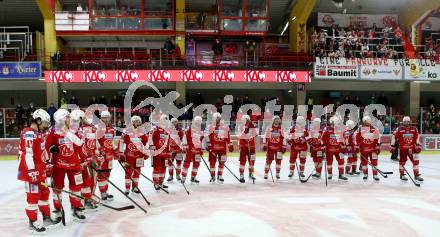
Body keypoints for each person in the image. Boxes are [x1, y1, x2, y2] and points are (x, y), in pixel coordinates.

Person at [17, 109, 58, 233]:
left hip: (40, 171)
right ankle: (33, 222)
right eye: (44, 123)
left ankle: (45, 217)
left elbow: (42, 152)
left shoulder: (38, 133)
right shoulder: (28, 133)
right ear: (38, 120)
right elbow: (27, 154)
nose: (46, 126)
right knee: (33, 196)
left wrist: (47, 164)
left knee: (44, 193)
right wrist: (32, 171)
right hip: (32, 172)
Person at [46, 109, 86, 221]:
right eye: (68, 117)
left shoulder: (74, 129)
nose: (70, 119)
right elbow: (47, 145)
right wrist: (51, 149)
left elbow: (79, 144)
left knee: (76, 187)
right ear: (62, 119)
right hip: (59, 165)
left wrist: (84, 159)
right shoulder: (53, 131)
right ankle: (58, 209)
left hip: (74, 164)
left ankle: (77, 207)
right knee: (57, 188)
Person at [70, 109, 99, 210]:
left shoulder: (84, 129)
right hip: (78, 162)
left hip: (86, 159)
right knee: (80, 183)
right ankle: (79, 202)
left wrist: (95, 154)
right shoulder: (73, 131)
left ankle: (85, 199)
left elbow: (92, 144)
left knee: (87, 181)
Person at [120, 115, 148, 195]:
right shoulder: (127, 131)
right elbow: (121, 142)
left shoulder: (142, 131)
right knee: (128, 172)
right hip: (129, 156)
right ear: (132, 122)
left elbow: (145, 143)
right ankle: (127, 188)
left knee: (137, 172)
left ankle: (135, 187)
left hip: (139, 156)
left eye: (138, 121)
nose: (137, 122)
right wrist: (121, 153)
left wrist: (145, 152)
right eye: (135, 121)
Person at [391, 116, 423, 182]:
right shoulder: (399, 129)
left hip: (412, 149)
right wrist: (392, 145)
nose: (406, 123)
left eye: (407, 122)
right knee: (402, 162)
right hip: (403, 149)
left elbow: (417, 137)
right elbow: (394, 136)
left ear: (410, 122)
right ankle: (402, 174)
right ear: (403, 122)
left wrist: (418, 143)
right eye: (405, 122)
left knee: (416, 161)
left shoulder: (414, 129)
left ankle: (416, 175)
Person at [206, 112, 233, 183]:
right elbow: (207, 136)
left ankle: (219, 175)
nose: (217, 120)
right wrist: (208, 144)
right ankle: (212, 176)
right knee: (212, 163)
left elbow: (228, 136)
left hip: (222, 149)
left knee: (222, 162)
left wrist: (230, 144)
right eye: (216, 119)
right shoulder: (211, 126)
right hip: (213, 149)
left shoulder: (225, 126)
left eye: (218, 118)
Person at [96, 111, 117, 200]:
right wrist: (99, 150)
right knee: (101, 174)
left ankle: (105, 191)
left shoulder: (112, 128)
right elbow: (95, 141)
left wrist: (115, 151)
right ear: (101, 118)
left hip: (109, 156)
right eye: (104, 117)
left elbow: (113, 141)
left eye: (107, 117)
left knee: (107, 173)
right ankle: (102, 193)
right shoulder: (98, 128)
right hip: (101, 156)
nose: (106, 119)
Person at [322, 116, 348, 181]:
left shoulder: (340, 129)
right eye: (335, 123)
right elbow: (323, 139)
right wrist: (323, 145)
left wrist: (343, 144)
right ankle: (330, 174)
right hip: (329, 149)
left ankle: (341, 175)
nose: (336, 124)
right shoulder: (327, 129)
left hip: (339, 149)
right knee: (329, 162)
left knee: (341, 161)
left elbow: (342, 138)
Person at [355, 116, 381, 181]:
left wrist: (378, 146)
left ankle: (375, 175)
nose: (368, 124)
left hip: (373, 149)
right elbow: (357, 138)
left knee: (374, 162)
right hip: (363, 149)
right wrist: (357, 146)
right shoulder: (360, 128)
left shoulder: (375, 128)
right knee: (364, 163)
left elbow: (378, 138)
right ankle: (365, 174)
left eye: (368, 122)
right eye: (366, 122)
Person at [150, 114, 171, 190]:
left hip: (165, 153)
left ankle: (161, 182)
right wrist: (152, 147)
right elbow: (150, 137)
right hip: (157, 153)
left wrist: (169, 151)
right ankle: (156, 183)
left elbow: (168, 142)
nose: (165, 122)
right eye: (164, 121)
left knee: (163, 168)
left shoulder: (167, 131)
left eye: (166, 121)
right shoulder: (155, 128)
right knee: (157, 168)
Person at [181, 116, 204, 184]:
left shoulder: (200, 131)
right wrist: (185, 146)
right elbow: (185, 137)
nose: (198, 123)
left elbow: (201, 140)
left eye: (199, 122)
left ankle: (193, 177)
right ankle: (183, 178)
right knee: (186, 164)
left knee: (196, 164)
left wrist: (201, 149)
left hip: (197, 150)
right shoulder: (189, 129)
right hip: (190, 150)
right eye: (197, 122)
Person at [238, 115, 257, 183]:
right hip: (243, 146)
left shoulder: (252, 125)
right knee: (242, 161)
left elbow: (255, 134)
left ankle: (251, 173)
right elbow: (240, 135)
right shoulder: (240, 126)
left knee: (252, 161)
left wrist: (252, 126)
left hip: (251, 146)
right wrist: (246, 128)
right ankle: (241, 175)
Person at [167, 118, 185, 182]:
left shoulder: (181, 130)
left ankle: (178, 175)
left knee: (179, 163)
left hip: (179, 150)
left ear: (177, 123)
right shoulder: (168, 130)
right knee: (170, 163)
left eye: (175, 122)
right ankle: (170, 175)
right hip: (171, 149)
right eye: (173, 122)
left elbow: (183, 139)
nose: (174, 123)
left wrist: (183, 147)